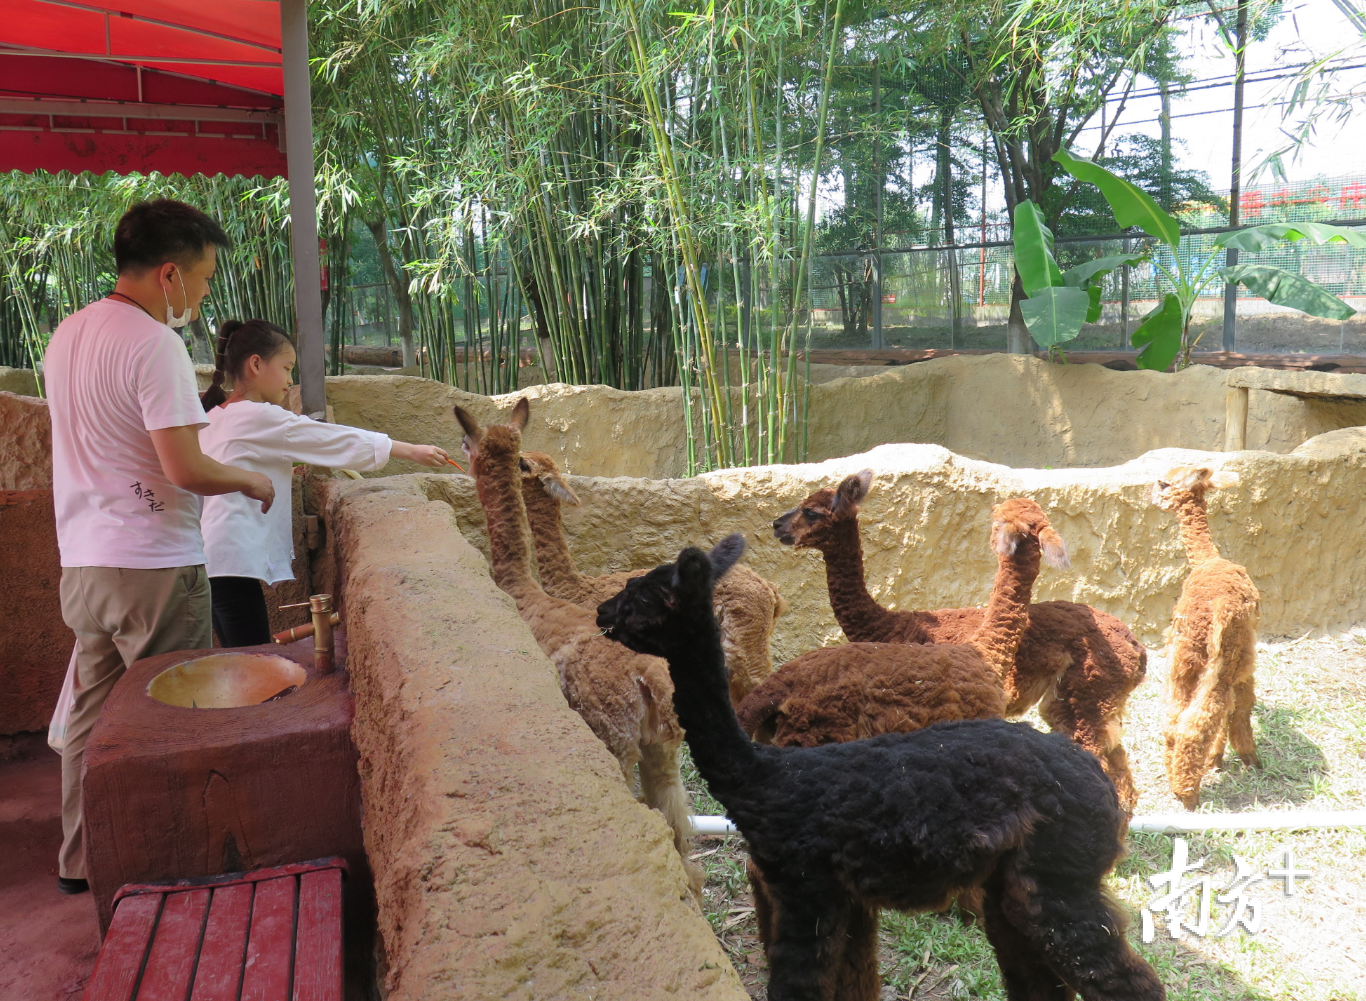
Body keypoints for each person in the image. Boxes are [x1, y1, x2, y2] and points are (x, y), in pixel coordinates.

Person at [44, 199, 275, 895]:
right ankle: (172, 862)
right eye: (202, 280)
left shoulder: (66, 334)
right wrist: (250, 479)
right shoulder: (154, 345)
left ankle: (80, 860)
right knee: (172, 712)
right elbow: (184, 468)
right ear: (168, 274)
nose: (203, 297)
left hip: (82, 562)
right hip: (151, 562)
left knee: (91, 714)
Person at [198, 319, 450, 646]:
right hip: (231, 561)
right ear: (256, 364)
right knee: (252, 662)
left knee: (241, 658)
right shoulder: (259, 416)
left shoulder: (215, 414)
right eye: (287, 368)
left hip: (212, 560)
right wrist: (411, 450)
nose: (290, 381)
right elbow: (328, 438)